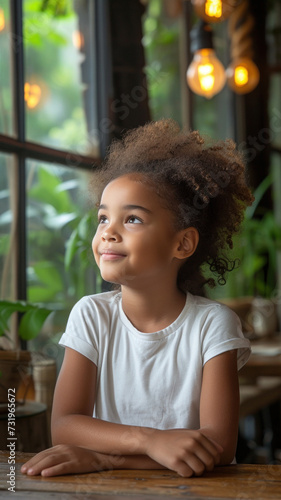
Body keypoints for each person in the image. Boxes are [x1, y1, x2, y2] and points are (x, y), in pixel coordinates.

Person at [21, 119, 253, 478]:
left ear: (182, 243)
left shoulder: (213, 325)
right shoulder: (91, 316)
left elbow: (219, 448)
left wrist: (106, 458)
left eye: (131, 219)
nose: (108, 232)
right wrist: (150, 442)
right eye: (102, 218)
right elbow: (64, 426)